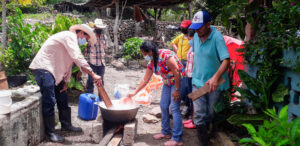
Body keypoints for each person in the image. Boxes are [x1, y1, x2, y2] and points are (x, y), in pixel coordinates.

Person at [29, 24, 102, 143]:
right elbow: (77, 56)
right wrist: (93, 74)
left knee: (62, 95)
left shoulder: (71, 41)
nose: (85, 41)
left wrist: (65, 81)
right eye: (86, 38)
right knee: (49, 100)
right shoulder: (70, 36)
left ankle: (66, 125)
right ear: (81, 33)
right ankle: (50, 133)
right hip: (43, 68)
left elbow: (69, 63)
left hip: (52, 70)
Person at [126, 41, 185, 146]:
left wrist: (176, 89)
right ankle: (166, 132)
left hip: (178, 81)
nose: (144, 57)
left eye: (144, 54)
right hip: (168, 82)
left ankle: (177, 139)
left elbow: (177, 72)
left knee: (174, 108)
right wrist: (134, 93)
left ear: (150, 51)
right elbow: (145, 80)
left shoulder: (166, 56)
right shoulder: (152, 62)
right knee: (163, 105)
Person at [189, 11, 230, 146]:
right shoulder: (195, 36)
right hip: (197, 81)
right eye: (195, 27)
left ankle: (212, 131)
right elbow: (195, 54)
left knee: (212, 112)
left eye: (199, 27)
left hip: (214, 83)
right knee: (199, 113)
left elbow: (226, 60)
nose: (197, 30)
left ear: (208, 24)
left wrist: (215, 77)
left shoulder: (217, 37)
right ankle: (203, 142)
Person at [171, 20, 192, 117]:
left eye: (185, 27)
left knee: (187, 85)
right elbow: (172, 43)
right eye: (182, 27)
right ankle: (180, 103)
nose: (183, 29)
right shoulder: (180, 37)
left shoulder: (192, 38)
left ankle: (187, 106)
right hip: (179, 62)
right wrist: (177, 50)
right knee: (180, 83)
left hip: (188, 63)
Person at [85, 19, 107, 98]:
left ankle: (101, 100)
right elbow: (86, 50)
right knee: (91, 81)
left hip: (101, 63)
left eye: (100, 28)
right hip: (92, 62)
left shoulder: (104, 37)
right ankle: (90, 100)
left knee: (101, 82)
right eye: (98, 28)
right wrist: (87, 62)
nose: (99, 29)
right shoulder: (90, 36)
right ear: (95, 27)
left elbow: (104, 48)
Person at [182, 29, 196, 129]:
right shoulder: (192, 47)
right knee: (190, 97)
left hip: (194, 76)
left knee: (194, 98)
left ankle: (195, 121)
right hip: (189, 75)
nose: (188, 40)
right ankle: (192, 118)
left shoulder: (197, 48)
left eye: (190, 38)